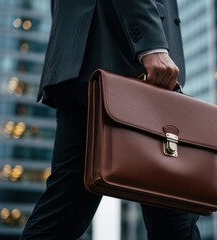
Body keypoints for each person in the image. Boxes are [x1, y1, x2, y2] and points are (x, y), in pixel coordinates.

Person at [20, 0, 201, 239]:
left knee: (64, 209)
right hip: (122, 60)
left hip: (87, 58)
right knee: (174, 212)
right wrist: (151, 45)